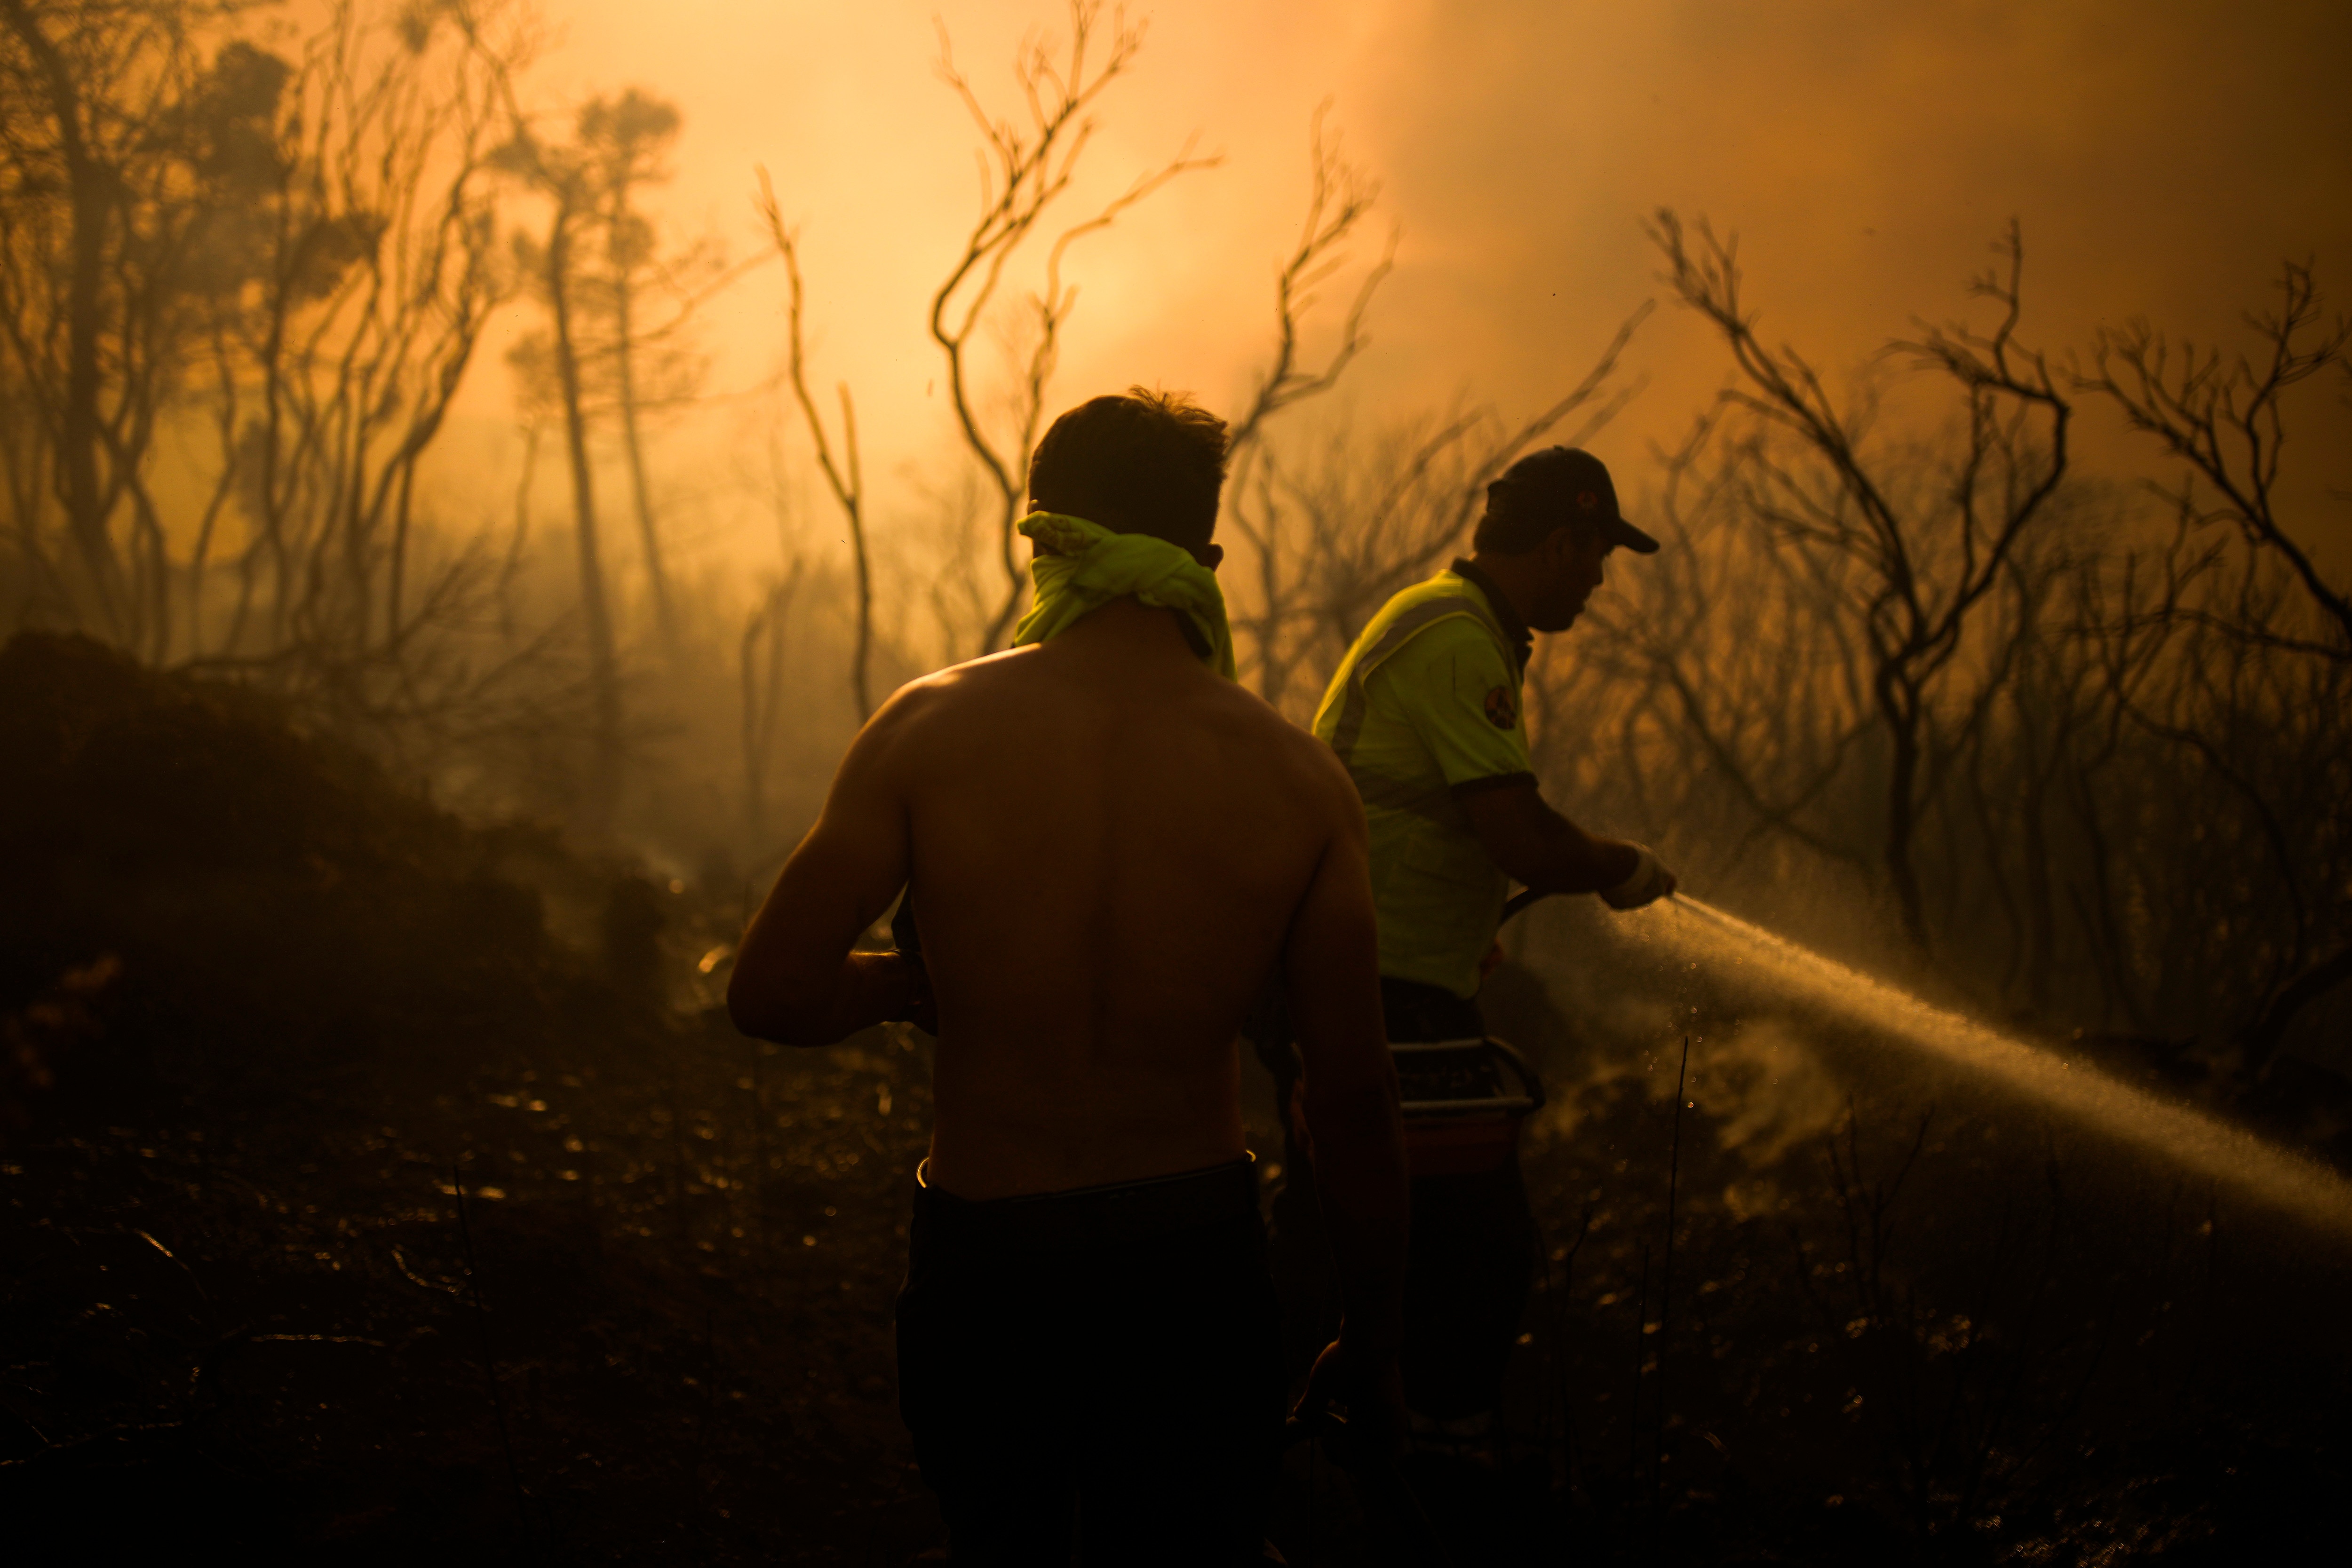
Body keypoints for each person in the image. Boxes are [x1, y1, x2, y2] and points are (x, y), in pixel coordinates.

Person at [727, 388, 1411, 1566]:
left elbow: (772, 992)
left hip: (990, 1262)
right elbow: (1347, 1094)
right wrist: (1376, 1323)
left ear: (1042, 537)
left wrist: (909, 984)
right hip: (1190, 1260)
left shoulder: (926, 731)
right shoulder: (1297, 781)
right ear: (1206, 556)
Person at [1275, 444, 1676, 1445]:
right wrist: (1618, 865)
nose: (1597, 578)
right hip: (1381, 992)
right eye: (1596, 555)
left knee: (1374, 1236)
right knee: (1465, 1258)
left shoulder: (1457, 627)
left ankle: (1329, 1453)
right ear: (1560, 542)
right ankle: (1405, 1469)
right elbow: (1516, 830)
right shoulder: (1456, 636)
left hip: (1389, 980)